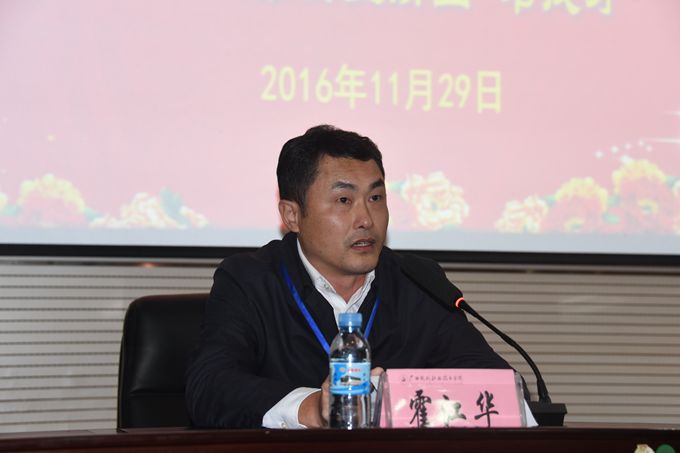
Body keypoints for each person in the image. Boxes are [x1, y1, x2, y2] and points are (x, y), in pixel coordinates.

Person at [185, 125, 514, 429]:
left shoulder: (417, 282)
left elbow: (500, 386)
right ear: (292, 215)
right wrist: (311, 407)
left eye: (376, 198)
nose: (366, 219)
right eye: (344, 200)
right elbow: (210, 386)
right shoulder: (250, 280)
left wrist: (398, 399)